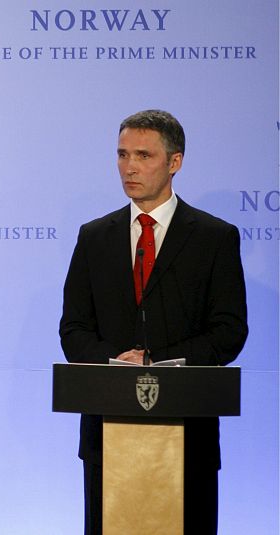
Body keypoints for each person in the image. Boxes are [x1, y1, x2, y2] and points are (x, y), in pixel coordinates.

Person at [59, 109, 248, 534]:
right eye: (123, 154)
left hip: (187, 434)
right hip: (109, 434)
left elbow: (229, 330)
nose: (130, 167)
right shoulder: (94, 237)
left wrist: (157, 362)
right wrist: (118, 362)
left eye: (143, 155)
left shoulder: (214, 237)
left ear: (174, 162)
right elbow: (73, 329)